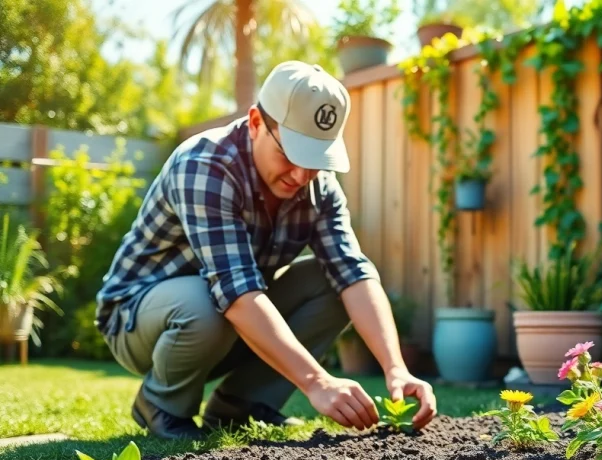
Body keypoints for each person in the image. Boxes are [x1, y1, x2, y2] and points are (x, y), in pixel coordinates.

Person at [94, 61, 436, 440]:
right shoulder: (204, 165)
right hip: (138, 318)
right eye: (291, 154)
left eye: (315, 159)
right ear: (256, 122)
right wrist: (317, 382)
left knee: (331, 281)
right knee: (208, 300)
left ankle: (237, 406)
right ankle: (161, 405)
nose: (301, 176)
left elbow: (354, 272)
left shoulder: (319, 186)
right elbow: (236, 292)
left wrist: (395, 369)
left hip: (223, 320)